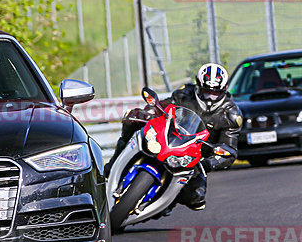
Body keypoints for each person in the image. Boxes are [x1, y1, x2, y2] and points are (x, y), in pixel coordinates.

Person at [104, 63, 243, 211]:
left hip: (195, 157)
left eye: (215, 93)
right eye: (206, 91)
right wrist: (151, 110)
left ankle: (167, 202)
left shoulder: (231, 115)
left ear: (224, 89)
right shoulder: (185, 93)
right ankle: (113, 165)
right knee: (133, 120)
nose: (210, 97)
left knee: (196, 198)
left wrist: (209, 163)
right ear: (198, 86)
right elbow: (165, 105)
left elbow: (229, 150)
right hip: (170, 137)